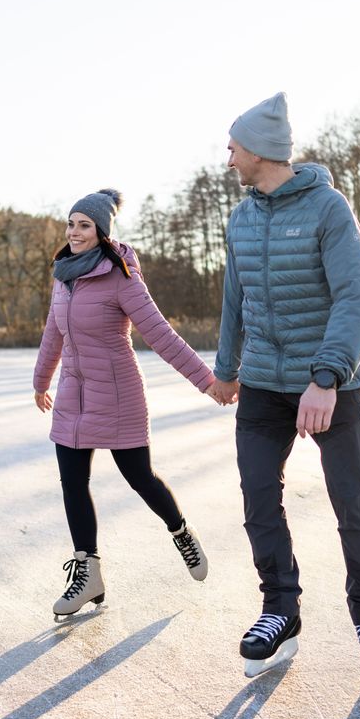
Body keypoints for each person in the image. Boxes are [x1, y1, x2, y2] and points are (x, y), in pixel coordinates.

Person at [207, 93, 360, 683]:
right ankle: (280, 608)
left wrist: (326, 378)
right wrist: (227, 368)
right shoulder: (241, 217)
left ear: (259, 150)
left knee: (352, 502)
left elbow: (354, 299)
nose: (228, 158)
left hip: (328, 385)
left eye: (233, 148)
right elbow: (235, 301)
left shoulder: (328, 209)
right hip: (263, 385)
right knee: (258, 498)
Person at [33, 188, 223, 620]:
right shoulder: (63, 276)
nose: (75, 232)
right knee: (72, 483)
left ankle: (180, 531)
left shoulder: (121, 276)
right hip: (73, 395)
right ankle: (88, 573)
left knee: (140, 478)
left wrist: (206, 381)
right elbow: (52, 334)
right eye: (71, 224)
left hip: (118, 394)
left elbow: (160, 334)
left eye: (84, 225)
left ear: (101, 231)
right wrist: (41, 381)